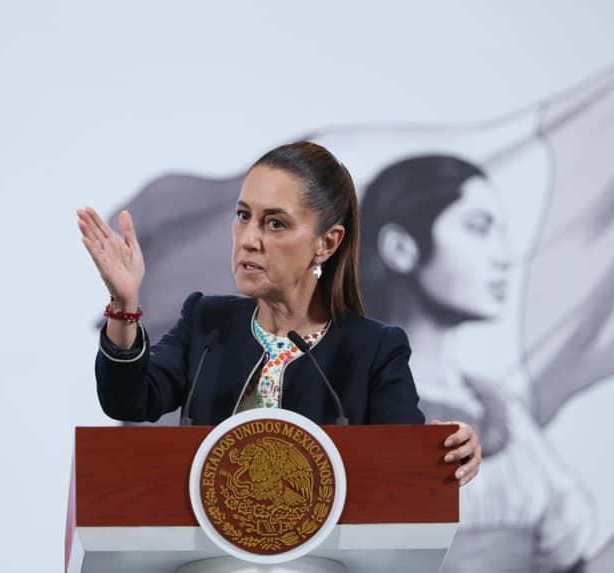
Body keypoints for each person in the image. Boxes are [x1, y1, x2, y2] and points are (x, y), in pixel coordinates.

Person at [77, 141, 481, 486]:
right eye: (243, 216)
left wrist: (449, 450)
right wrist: (125, 305)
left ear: (326, 243)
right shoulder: (206, 323)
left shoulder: (374, 349)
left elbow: (405, 464)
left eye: (274, 223)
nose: (249, 240)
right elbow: (127, 401)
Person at [358, 154, 614, 572]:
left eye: (502, 232)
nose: (503, 255)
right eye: (478, 228)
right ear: (400, 248)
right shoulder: (341, 401)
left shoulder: (503, 413)